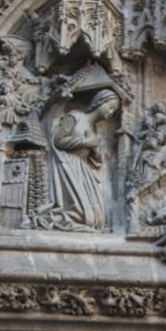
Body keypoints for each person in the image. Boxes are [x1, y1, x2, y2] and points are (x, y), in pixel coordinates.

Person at [27, 88, 120, 230]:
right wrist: (85, 142)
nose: (111, 112)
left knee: (98, 219)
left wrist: (95, 150)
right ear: (101, 102)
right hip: (68, 165)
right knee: (85, 216)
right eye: (110, 107)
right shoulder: (75, 116)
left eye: (114, 110)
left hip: (83, 170)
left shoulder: (94, 130)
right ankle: (47, 218)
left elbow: (97, 162)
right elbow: (58, 140)